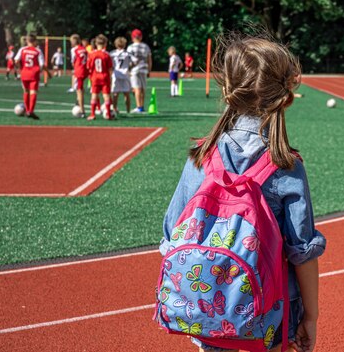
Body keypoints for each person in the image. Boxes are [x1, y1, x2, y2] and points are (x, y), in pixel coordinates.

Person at [163, 36, 325, 352]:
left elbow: (172, 233)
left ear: (227, 90)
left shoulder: (201, 155)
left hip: (206, 305)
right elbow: (302, 251)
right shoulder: (285, 165)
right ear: (285, 95)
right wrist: (311, 317)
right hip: (269, 311)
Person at [13, 34, 48, 120]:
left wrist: (20, 67)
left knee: (25, 91)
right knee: (33, 92)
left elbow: (16, 60)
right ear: (35, 41)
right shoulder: (38, 51)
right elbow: (42, 64)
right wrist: (47, 73)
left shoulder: (22, 49)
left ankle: (27, 110)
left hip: (24, 73)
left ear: (27, 41)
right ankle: (30, 111)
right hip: (34, 74)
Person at [86, 34, 114, 121]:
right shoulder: (107, 55)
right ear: (105, 44)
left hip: (95, 77)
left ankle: (92, 114)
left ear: (95, 43)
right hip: (104, 77)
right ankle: (108, 114)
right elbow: (110, 68)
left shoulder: (91, 54)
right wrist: (111, 77)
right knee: (106, 95)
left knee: (94, 95)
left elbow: (88, 67)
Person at [127, 29, 151, 113]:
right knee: (143, 88)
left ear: (132, 37)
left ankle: (138, 107)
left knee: (137, 89)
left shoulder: (130, 47)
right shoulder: (146, 46)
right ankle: (142, 105)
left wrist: (128, 70)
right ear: (141, 37)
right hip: (144, 69)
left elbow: (129, 60)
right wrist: (149, 70)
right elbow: (149, 59)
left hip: (134, 69)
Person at [110, 36, 133, 115]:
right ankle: (128, 110)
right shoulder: (127, 54)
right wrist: (129, 68)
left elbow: (109, 64)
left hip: (116, 74)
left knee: (115, 93)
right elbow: (134, 62)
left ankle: (114, 109)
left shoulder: (112, 53)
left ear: (116, 45)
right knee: (126, 94)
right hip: (125, 74)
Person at [69, 34, 88, 117]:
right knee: (81, 89)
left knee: (79, 90)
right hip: (85, 70)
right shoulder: (84, 49)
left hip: (79, 70)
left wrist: (75, 67)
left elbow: (73, 61)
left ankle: (82, 110)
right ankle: (77, 102)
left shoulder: (74, 50)